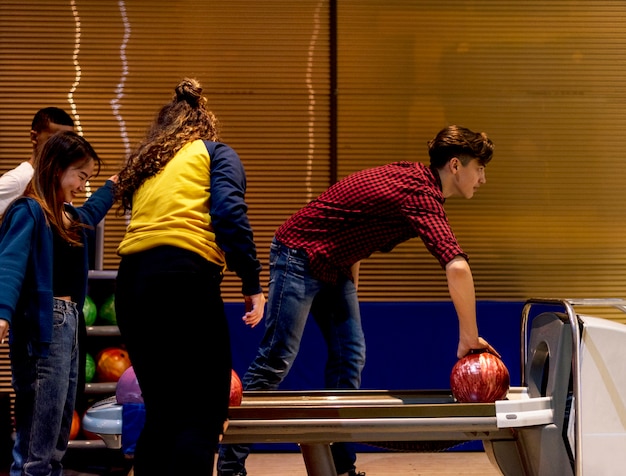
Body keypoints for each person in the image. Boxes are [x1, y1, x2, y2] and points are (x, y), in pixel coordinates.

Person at [217, 124, 500, 476]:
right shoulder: (420, 194)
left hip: (335, 266)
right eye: (480, 168)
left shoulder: (415, 180)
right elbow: (457, 266)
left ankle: (338, 466)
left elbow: (355, 226)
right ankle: (230, 467)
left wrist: (351, 289)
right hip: (298, 254)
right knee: (277, 359)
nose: (483, 179)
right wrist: (468, 338)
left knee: (350, 356)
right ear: (456, 166)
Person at [113, 77, 266, 476]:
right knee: (201, 413)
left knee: (162, 413)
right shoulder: (216, 153)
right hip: (183, 280)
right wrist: (252, 283)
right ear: (206, 125)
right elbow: (230, 215)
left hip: (131, 285)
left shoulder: (149, 164)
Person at [0, 130, 117, 476]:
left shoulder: (68, 215)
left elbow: (92, 211)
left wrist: (113, 184)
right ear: (56, 169)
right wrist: (3, 314)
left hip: (69, 324)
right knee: (39, 425)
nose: (83, 185)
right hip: (44, 324)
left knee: (58, 424)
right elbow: (10, 263)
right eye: (80, 176)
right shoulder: (30, 210)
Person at [0, 107, 75, 216]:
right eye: (54, 140)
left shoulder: (58, 181)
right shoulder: (18, 180)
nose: (63, 147)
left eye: (67, 142)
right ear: (34, 137)